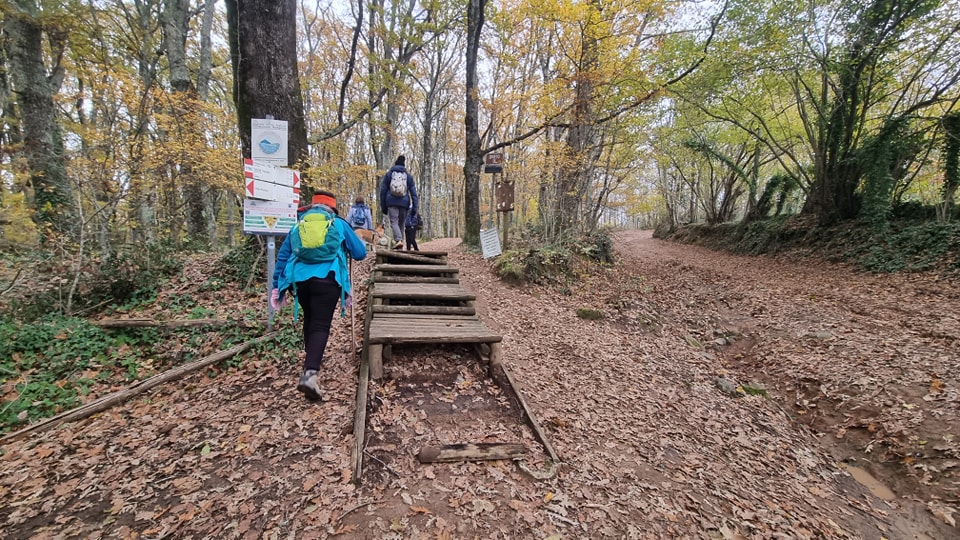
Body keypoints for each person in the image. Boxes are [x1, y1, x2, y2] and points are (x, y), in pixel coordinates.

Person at [270, 190, 366, 401]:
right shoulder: (338, 224)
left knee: (311, 320)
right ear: (332, 207)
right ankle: (310, 375)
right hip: (328, 279)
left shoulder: (298, 225)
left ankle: (309, 364)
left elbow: (283, 257)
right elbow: (360, 253)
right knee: (320, 325)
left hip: (300, 281)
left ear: (312, 206)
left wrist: (277, 286)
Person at [379, 155, 418, 250]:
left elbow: (383, 191)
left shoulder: (389, 174)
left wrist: (383, 206)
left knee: (394, 222)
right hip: (404, 203)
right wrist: (415, 208)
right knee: (401, 224)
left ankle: (398, 240)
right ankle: (400, 246)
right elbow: (413, 193)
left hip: (391, 202)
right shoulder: (408, 177)